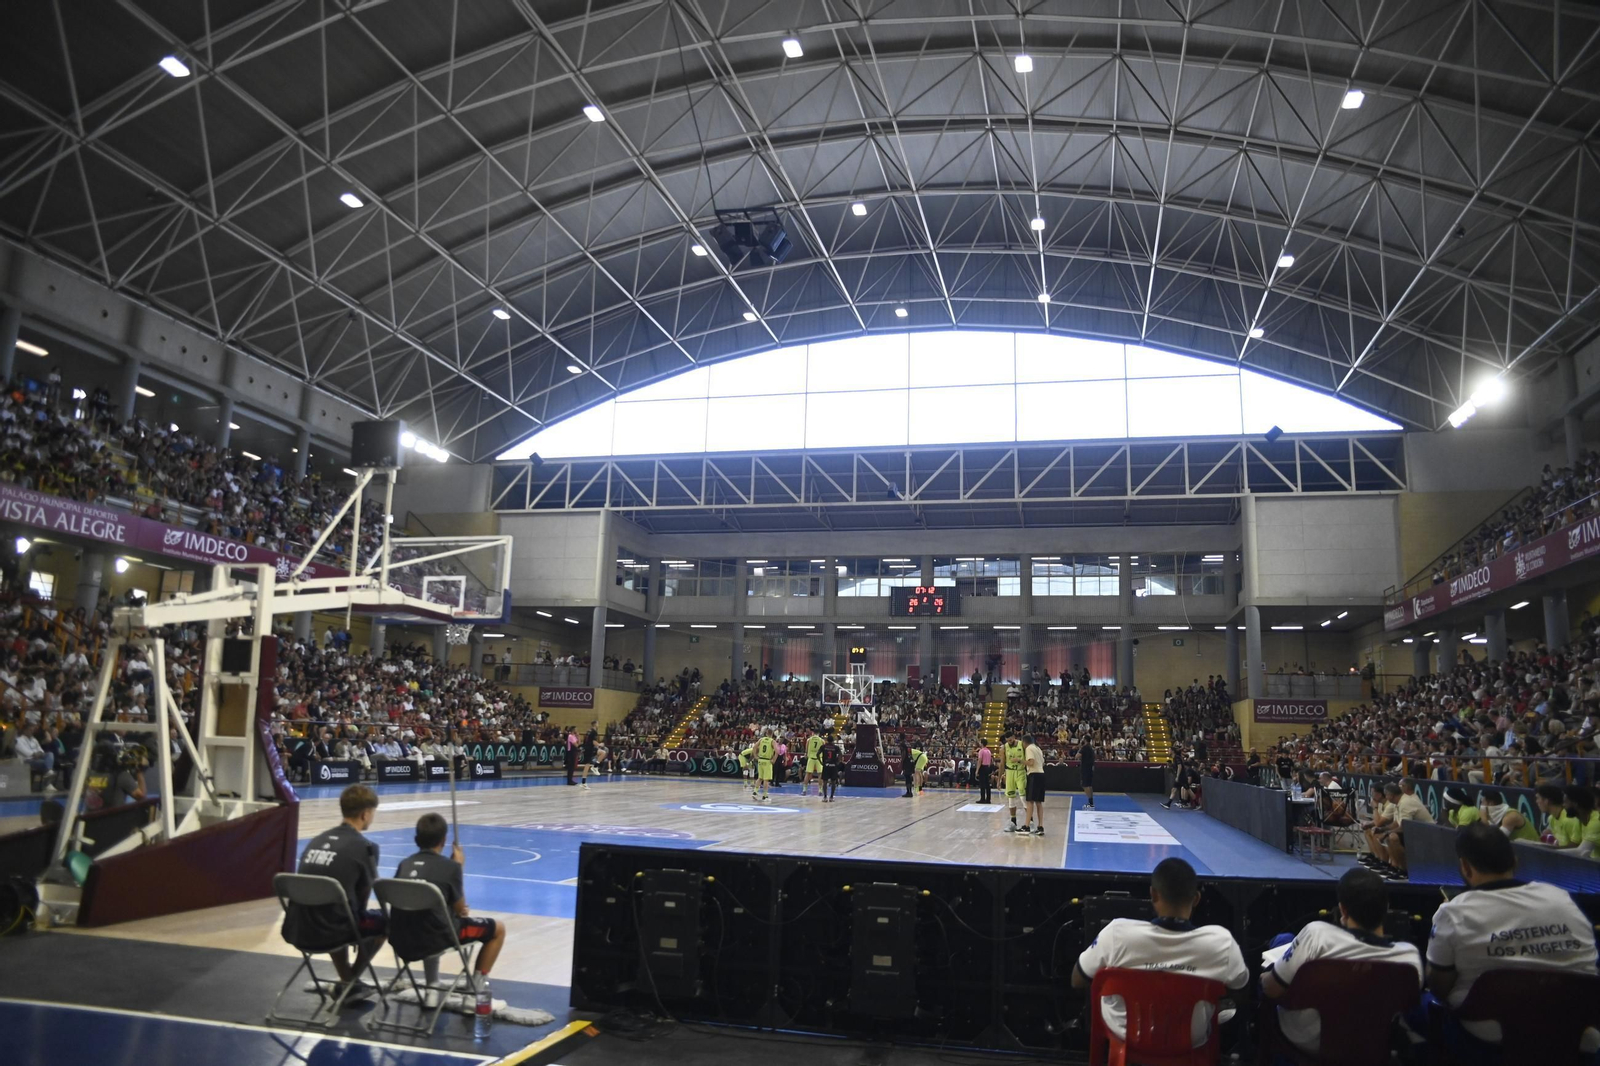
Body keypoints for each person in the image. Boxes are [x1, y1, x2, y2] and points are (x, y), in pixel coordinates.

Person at [1420, 823, 1598, 1061]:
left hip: (1490, 1044)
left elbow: (1439, 986)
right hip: (1578, 1041)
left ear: (1464, 867)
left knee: (1419, 1008)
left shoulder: (1453, 912)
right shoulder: (1562, 898)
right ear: (1515, 861)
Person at [1072, 858, 1249, 1049]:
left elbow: (1077, 980)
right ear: (1196, 899)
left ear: (1153, 895)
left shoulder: (1116, 934)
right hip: (1189, 1042)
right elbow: (1240, 992)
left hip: (1126, 1038)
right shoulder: (1221, 943)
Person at [1260, 867, 1422, 1057]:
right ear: (1387, 908)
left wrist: (1265, 975)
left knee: (1279, 947)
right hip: (1372, 1045)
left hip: (1308, 1041)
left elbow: (1272, 989)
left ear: (1343, 909)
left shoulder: (1316, 935)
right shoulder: (1410, 959)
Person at [287, 784, 386, 1003]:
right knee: (383, 923)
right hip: (331, 930)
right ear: (365, 813)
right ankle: (350, 980)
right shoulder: (366, 847)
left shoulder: (316, 840)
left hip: (298, 927)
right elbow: (362, 899)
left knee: (332, 908)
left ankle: (346, 978)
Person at [393, 813, 506, 992]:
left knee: (427, 916)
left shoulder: (404, 864)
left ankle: (432, 984)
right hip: (435, 939)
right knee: (498, 929)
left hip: (401, 939)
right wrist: (459, 867)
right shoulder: (451, 867)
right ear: (444, 840)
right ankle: (476, 987)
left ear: (416, 839)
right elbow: (461, 911)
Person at [1001, 730, 1027, 834]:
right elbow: (1002, 763)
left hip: (1020, 772)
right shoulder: (1004, 747)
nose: (1009, 742)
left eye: (1011, 740)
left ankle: (1030, 822)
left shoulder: (1022, 744)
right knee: (1011, 798)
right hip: (1009, 772)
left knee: (1023, 797)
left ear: (1014, 737)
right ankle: (1013, 822)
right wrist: (999, 779)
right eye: (1008, 741)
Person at [1023, 733, 1046, 836]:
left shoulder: (1029, 748)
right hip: (1041, 774)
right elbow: (1043, 762)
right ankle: (1040, 826)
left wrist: (1020, 761)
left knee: (1030, 801)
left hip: (1034, 775)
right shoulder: (1038, 748)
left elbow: (1031, 762)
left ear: (1024, 742)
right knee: (1039, 802)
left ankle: (1026, 826)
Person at [820, 731, 842, 803]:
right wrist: (838, 762)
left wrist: (821, 762)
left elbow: (817, 754)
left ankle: (825, 797)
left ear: (827, 740)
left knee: (825, 782)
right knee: (833, 782)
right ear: (833, 741)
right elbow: (840, 754)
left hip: (826, 765)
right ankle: (831, 797)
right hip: (833, 766)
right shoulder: (836, 747)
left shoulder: (823, 746)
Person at [803, 731, 824, 797]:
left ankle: (804, 790)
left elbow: (806, 749)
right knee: (820, 774)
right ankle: (820, 790)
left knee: (807, 773)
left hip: (811, 757)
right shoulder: (822, 740)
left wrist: (806, 754)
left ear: (813, 733)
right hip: (819, 758)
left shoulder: (809, 740)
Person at [1080, 737, 1095, 810]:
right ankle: (1091, 802)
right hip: (1090, 768)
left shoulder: (1084, 747)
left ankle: (1090, 803)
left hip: (1085, 768)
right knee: (1089, 785)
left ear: (1085, 740)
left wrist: (1080, 747)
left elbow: (1077, 756)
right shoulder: (1091, 748)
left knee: (1085, 785)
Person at [976, 739, 993, 804]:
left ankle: (982, 799)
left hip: (982, 767)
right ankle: (988, 799)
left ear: (982, 743)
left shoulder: (981, 751)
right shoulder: (988, 751)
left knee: (982, 784)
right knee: (987, 784)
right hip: (987, 767)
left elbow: (980, 760)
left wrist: (977, 770)